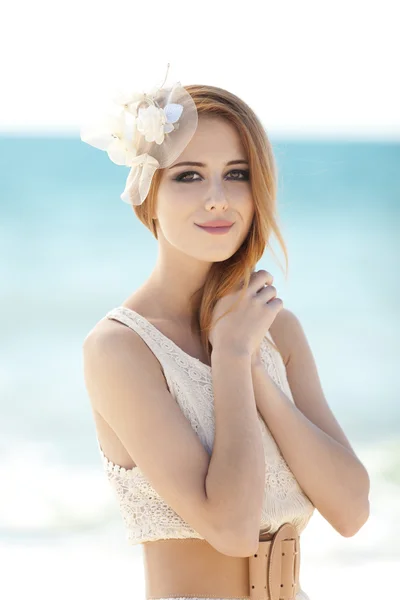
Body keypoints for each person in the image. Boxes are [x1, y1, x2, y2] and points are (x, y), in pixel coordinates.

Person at [81, 66, 370, 600]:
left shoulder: (276, 329)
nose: (218, 198)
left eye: (236, 174)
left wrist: (258, 371)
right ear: (149, 192)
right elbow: (231, 529)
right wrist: (232, 359)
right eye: (189, 175)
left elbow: (352, 510)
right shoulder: (120, 349)